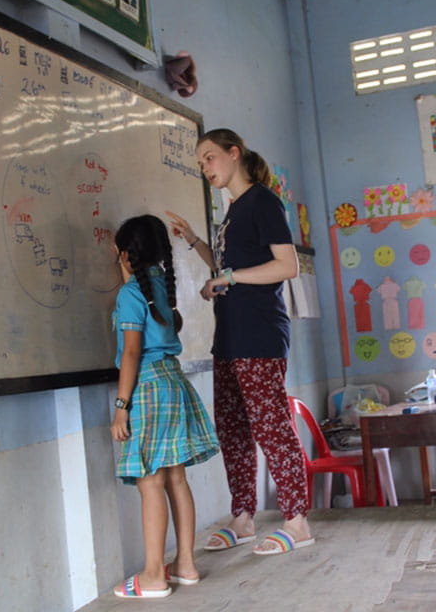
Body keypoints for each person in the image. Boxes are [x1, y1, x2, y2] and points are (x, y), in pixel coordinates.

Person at [166, 128, 314, 556]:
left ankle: (297, 520)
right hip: (229, 336)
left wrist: (228, 278)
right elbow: (232, 266)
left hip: (259, 334)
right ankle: (243, 516)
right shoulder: (232, 211)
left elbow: (286, 266)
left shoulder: (263, 201)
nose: (205, 168)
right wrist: (196, 240)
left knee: (271, 426)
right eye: (200, 162)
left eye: (210, 157)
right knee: (232, 430)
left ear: (234, 154)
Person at [110, 214, 219, 599]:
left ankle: (155, 574)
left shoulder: (130, 295)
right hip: (174, 382)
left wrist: (122, 405)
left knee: (150, 481)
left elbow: (132, 352)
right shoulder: (161, 287)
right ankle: (185, 565)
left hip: (149, 388)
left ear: (125, 253)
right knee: (175, 478)